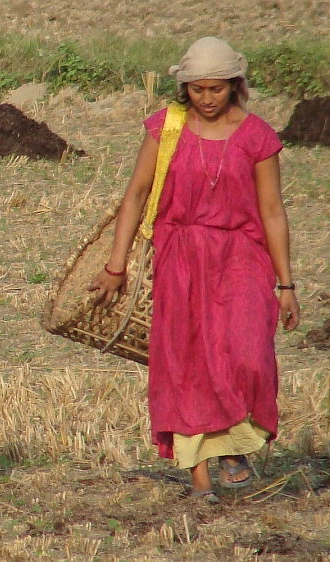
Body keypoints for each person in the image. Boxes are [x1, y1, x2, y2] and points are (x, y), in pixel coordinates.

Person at [88, 37, 300, 503]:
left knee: (248, 354)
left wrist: (285, 282)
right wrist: (116, 264)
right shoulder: (166, 128)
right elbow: (136, 195)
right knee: (185, 366)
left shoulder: (258, 137)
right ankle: (200, 478)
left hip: (242, 257)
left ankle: (234, 445)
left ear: (235, 86)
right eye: (198, 89)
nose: (206, 98)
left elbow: (272, 211)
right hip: (179, 256)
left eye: (217, 89)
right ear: (185, 87)